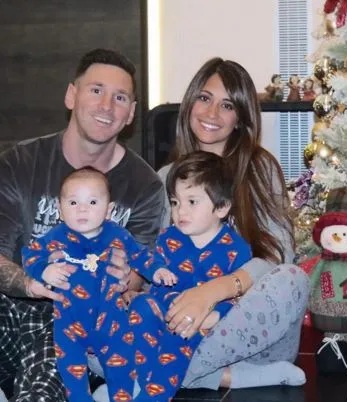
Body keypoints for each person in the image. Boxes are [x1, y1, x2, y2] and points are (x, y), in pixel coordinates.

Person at [0, 48, 165, 401]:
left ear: (131, 113)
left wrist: (126, 276)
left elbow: (138, 272)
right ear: (71, 94)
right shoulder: (19, 162)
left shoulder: (145, 187)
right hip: (12, 309)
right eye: (95, 90)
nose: (106, 105)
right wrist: (32, 283)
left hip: (77, 325)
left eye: (119, 97)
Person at [157, 57, 309, 390]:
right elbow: (153, 261)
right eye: (204, 98)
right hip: (184, 330)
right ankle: (214, 377)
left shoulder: (259, 168)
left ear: (240, 118)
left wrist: (213, 291)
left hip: (255, 336)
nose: (211, 113)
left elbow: (279, 254)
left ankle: (152, 373)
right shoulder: (165, 179)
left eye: (227, 105)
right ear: (190, 102)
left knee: (293, 280)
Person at [22, 167, 166, 402]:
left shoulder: (117, 234)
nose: (82, 209)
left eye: (92, 201)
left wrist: (157, 269)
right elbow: (29, 255)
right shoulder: (56, 236)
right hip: (69, 324)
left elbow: (140, 255)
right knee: (73, 379)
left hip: (112, 322)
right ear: (59, 209)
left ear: (109, 209)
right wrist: (44, 271)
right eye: (73, 202)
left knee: (121, 371)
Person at [128, 151, 252, 401]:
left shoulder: (236, 249)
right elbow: (155, 282)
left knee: (179, 333)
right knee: (140, 305)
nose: (180, 211)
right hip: (164, 312)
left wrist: (213, 316)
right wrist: (153, 273)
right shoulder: (167, 238)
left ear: (222, 207)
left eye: (192, 202)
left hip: (201, 325)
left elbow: (239, 298)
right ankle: (142, 384)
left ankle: (152, 396)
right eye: (175, 202)